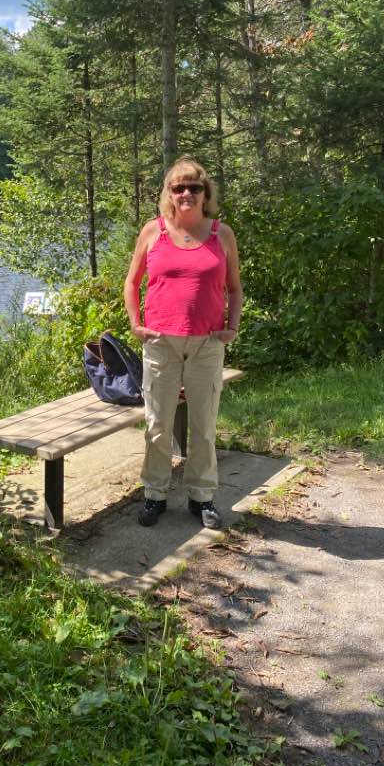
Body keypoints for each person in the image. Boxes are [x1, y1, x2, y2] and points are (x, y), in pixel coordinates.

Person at [123, 156, 242, 529]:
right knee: (158, 423)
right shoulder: (152, 231)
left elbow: (235, 288)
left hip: (207, 343)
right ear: (169, 194)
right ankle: (155, 495)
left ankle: (201, 497)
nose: (186, 193)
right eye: (178, 187)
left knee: (204, 426)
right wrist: (136, 325)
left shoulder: (221, 234)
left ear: (206, 193)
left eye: (194, 187)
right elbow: (132, 282)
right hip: (161, 342)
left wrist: (232, 327)